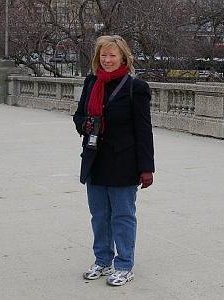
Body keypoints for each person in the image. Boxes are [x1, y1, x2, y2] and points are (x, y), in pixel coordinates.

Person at [73, 35, 155, 286]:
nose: (107, 60)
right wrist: (86, 124)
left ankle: (124, 264)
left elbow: (144, 129)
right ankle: (103, 260)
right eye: (103, 55)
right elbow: (78, 117)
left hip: (123, 162)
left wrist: (146, 168)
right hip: (95, 158)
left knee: (122, 215)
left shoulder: (135, 87)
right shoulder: (91, 82)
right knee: (99, 215)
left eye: (112, 55)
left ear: (123, 58)